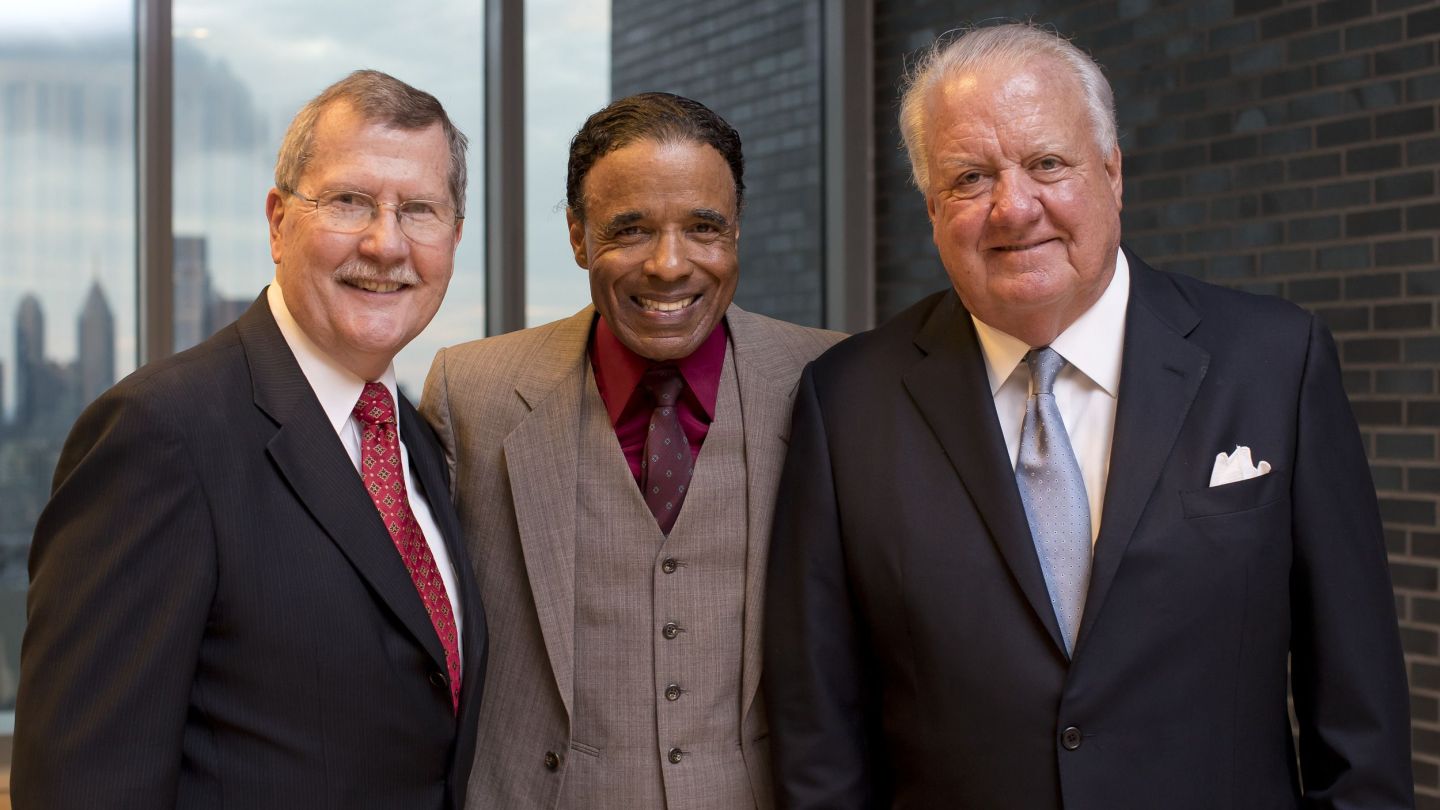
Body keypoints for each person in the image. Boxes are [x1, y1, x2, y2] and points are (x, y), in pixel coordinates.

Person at [764, 22, 1413, 809]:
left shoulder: (1277, 362)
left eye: (1046, 163)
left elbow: (1360, 717)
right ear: (932, 207)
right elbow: (819, 729)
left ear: (1112, 173)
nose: (1012, 207)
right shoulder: (847, 401)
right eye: (969, 178)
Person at [14, 69, 486, 809]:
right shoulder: (159, 435)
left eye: (420, 210)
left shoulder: (417, 440)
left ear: (454, 239)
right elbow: (83, 784)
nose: (386, 242)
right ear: (276, 222)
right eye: (350, 201)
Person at [420, 91, 842, 810]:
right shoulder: (472, 393)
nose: (669, 265)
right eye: (631, 230)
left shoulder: (828, 383)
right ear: (580, 238)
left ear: (737, 231)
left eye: (704, 227)